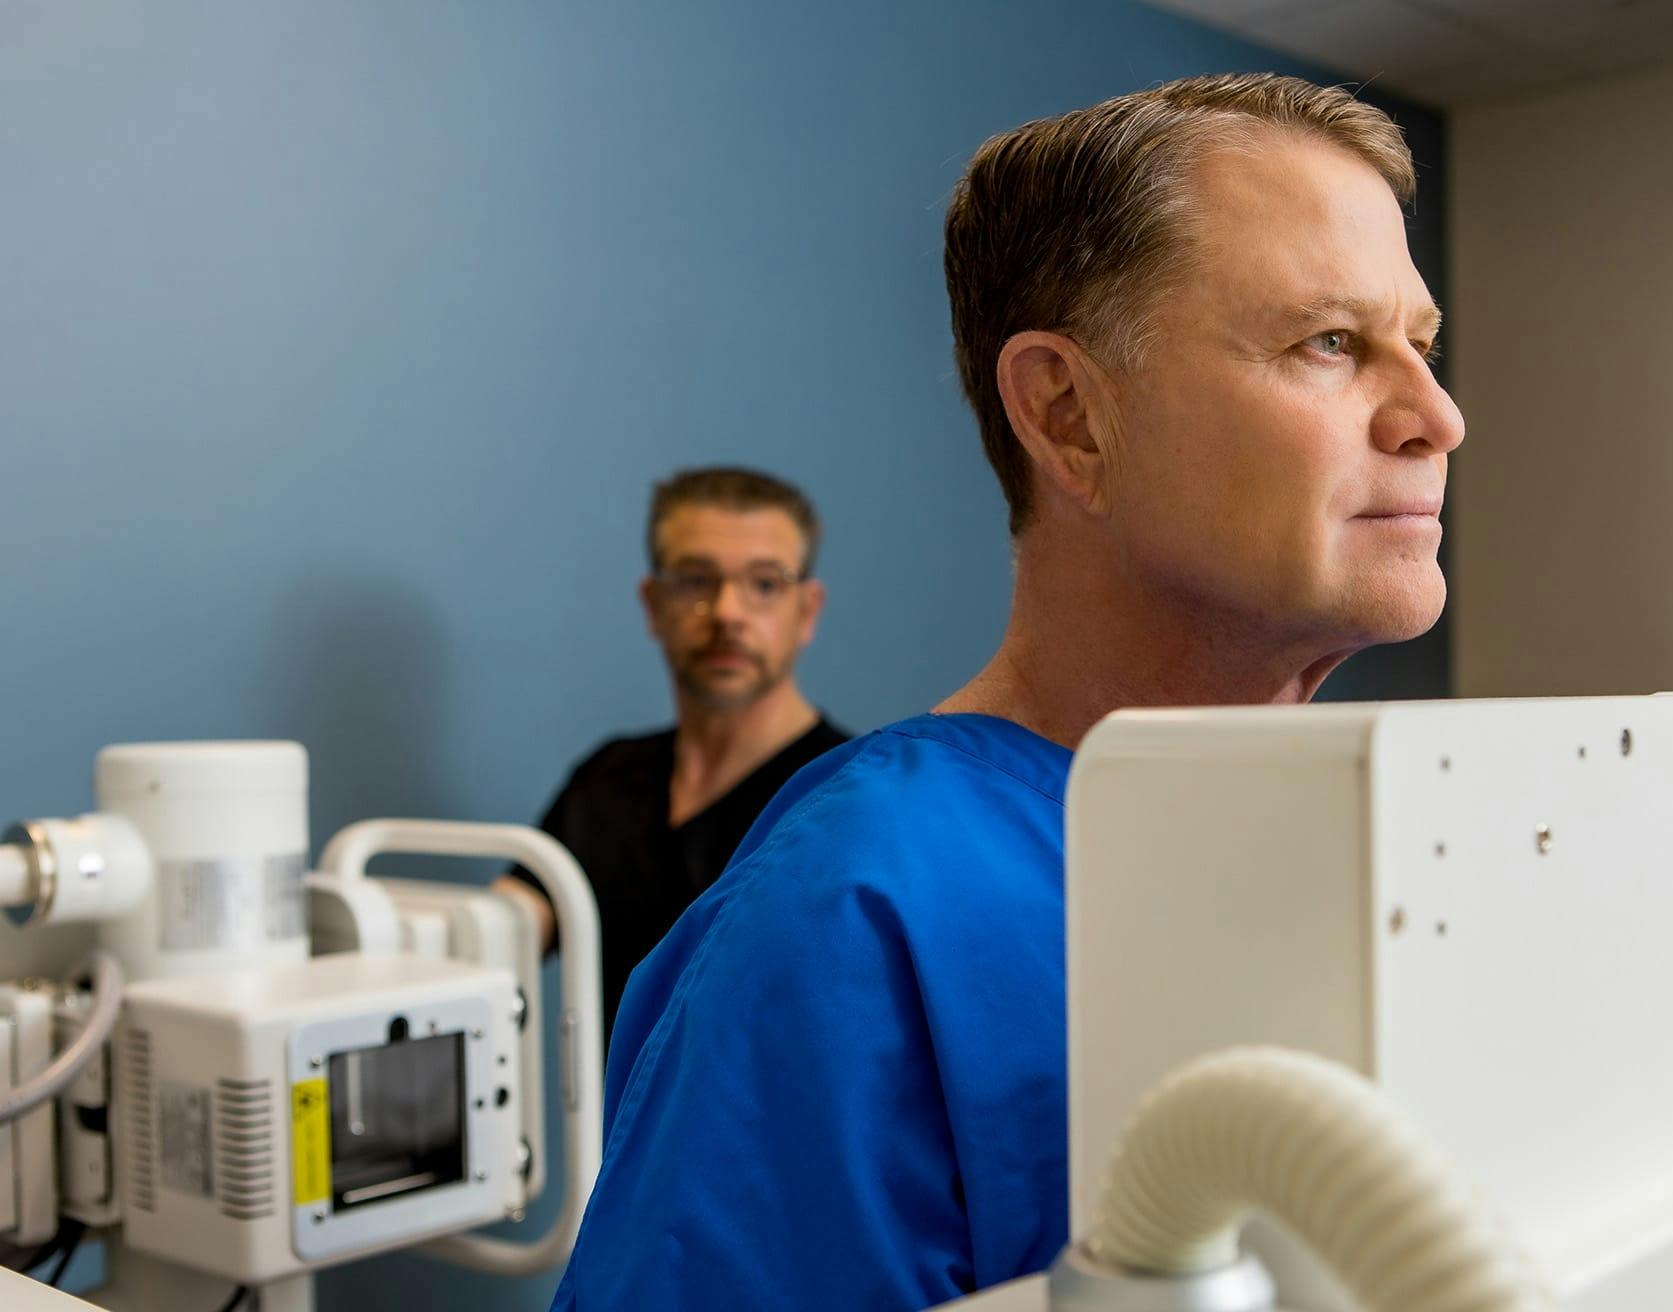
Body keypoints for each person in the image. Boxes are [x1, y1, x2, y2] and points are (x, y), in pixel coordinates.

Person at [551, 73, 1462, 1310]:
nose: (1435, 416)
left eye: (1423, 345)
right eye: (1332, 343)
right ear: (1072, 415)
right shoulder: (851, 915)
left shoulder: (1397, 861)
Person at [493, 466, 849, 1018]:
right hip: (613, 1109)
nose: (728, 612)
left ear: (807, 611)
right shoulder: (609, 782)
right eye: (695, 580)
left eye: (764, 583)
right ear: (653, 604)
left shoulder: (848, 797)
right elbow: (502, 934)